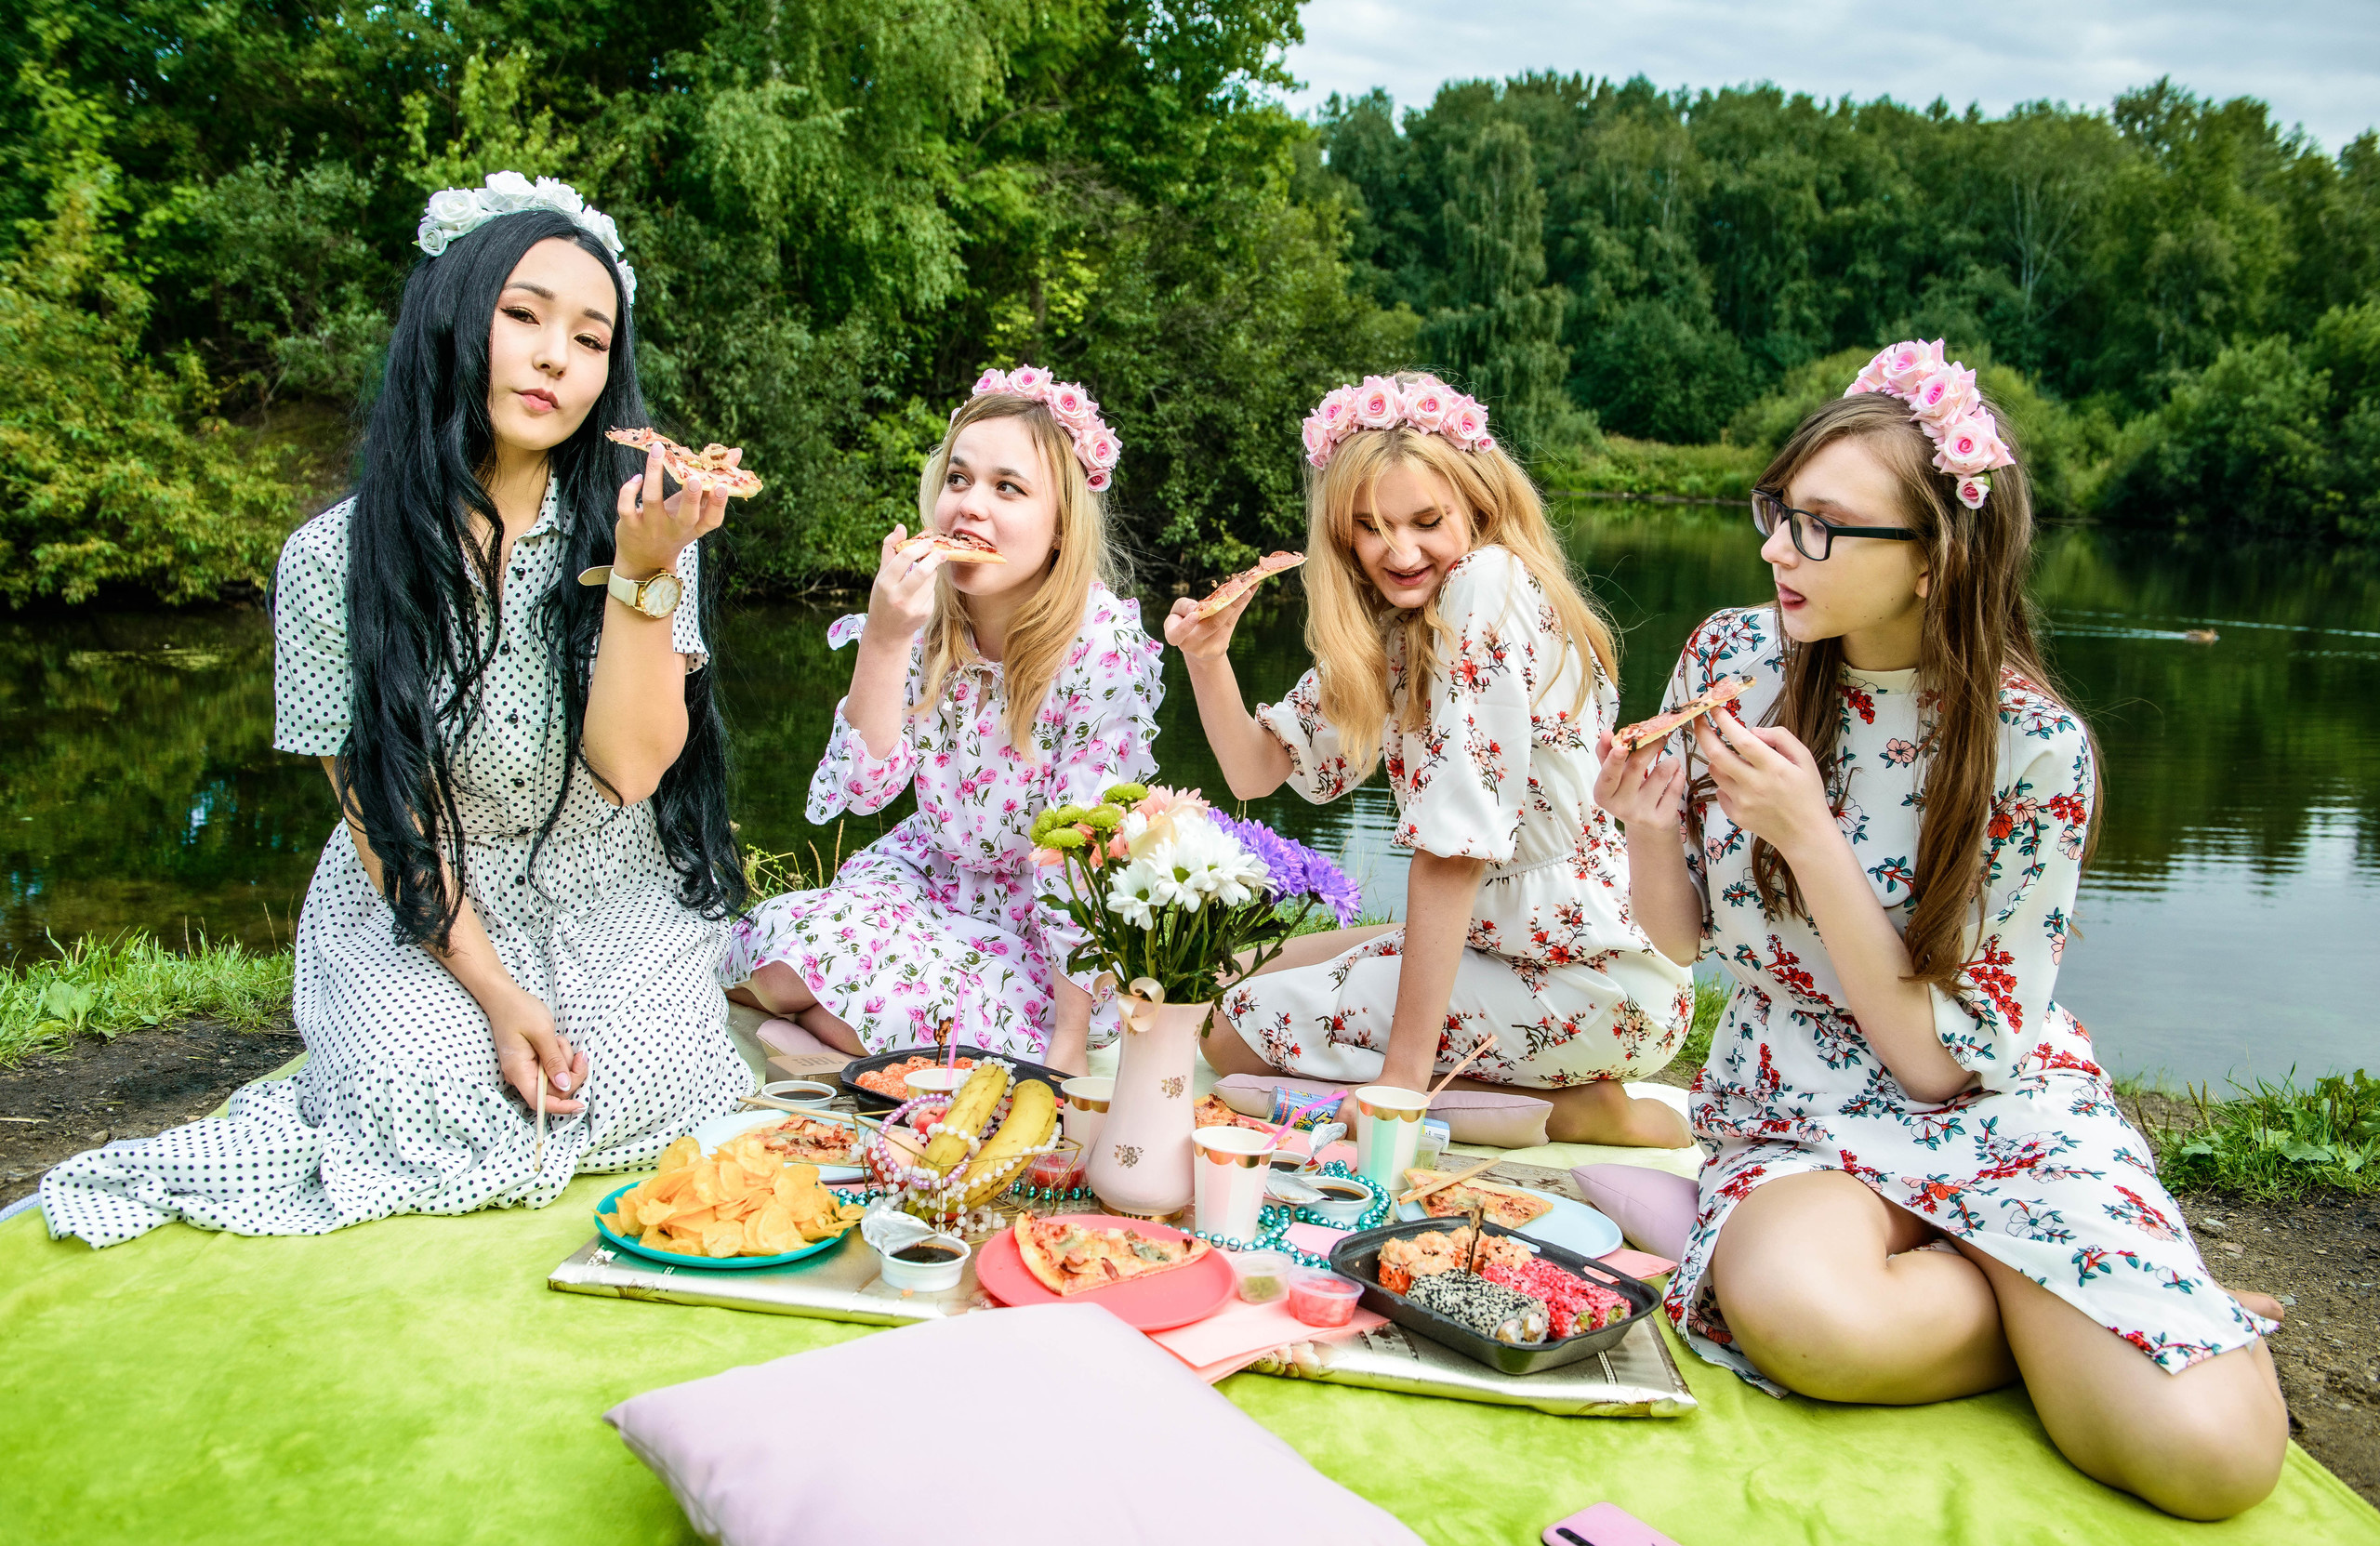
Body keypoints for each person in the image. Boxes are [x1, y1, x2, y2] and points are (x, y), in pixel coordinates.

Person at [1595, 341, 2287, 1518]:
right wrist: (1649, 833)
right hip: (1797, 1097)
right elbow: (1681, 942)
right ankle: (2056, 1276)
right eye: (1776, 509)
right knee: (1813, 1321)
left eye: (1819, 525)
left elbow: (1936, 1060)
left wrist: (1811, 837)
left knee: (2211, 1459)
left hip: (1986, 1095)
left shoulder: (2036, 749)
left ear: (1936, 559)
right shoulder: (1734, 654)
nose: (1774, 547)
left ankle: (2058, 1260)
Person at [41, 174, 753, 1248]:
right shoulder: (334, 555)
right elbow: (385, 811)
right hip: (426, 897)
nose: (557, 356)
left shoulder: (643, 527)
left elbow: (635, 770)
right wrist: (501, 996)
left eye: (591, 337)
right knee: (422, 1095)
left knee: (648, 1083)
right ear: (453, 317)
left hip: (607, 881)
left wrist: (647, 576)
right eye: (523, 315)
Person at [1170, 372, 1694, 1146]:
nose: (1401, 549)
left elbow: (1454, 848)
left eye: (1425, 520)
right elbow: (1258, 772)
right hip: (1504, 944)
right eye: (1373, 526)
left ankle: (1571, 1111)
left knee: (1228, 1031)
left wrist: (1400, 1087)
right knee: (1223, 980)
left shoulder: (1487, 585)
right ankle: (1518, 1090)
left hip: (1590, 973)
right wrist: (1208, 660)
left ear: (1476, 508)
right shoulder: (1395, 630)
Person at [721, 367, 1159, 1076]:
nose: (970, 507)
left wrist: (1069, 1047)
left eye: (1007, 488)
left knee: (870, 1004)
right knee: (771, 957)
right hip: (925, 875)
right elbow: (862, 793)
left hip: (1033, 929)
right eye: (959, 480)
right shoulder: (927, 616)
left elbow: (1084, 857)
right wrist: (888, 639)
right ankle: (829, 1039)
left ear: (1060, 527)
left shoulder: (1100, 647)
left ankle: (825, 1042)